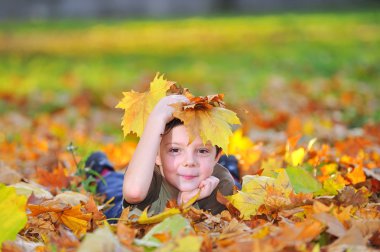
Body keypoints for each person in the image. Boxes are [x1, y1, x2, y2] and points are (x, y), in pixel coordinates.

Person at [86, 95, 240, 219]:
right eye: (175, 150)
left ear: (216, 157)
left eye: (202, 151)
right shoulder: (148, 180)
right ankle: (103, 171)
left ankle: (229, 167)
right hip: (129, 202)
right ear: (156, 155)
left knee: (233, 184)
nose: (189, 162)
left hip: (214, 174)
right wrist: (157, 119)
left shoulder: (221, 185)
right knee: (115, 186)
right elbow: (133, 192)